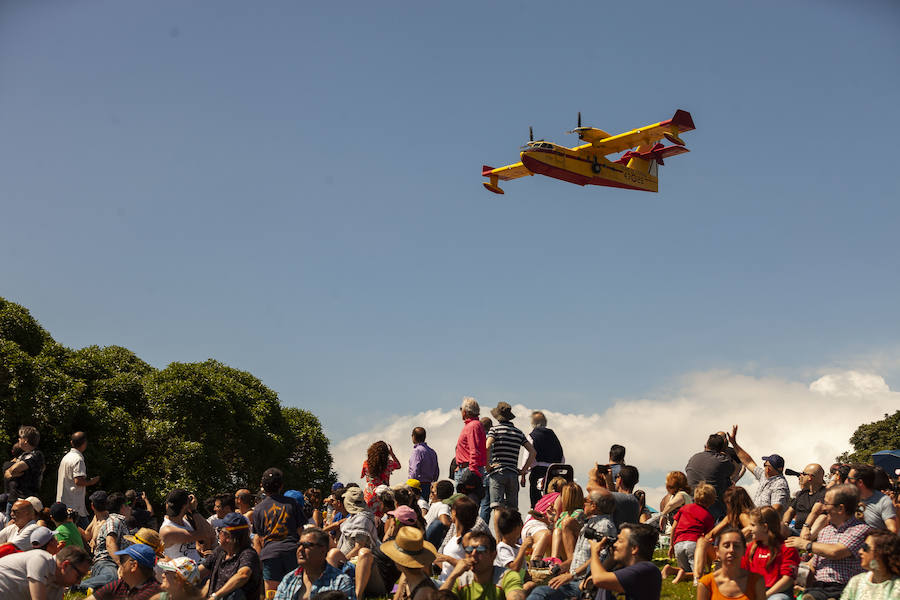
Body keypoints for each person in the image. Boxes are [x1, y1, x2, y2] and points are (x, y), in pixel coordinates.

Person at [785, 484, 871, 600]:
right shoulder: (825, 532)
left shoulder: (860, 530)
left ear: (840, 508)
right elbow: (813, 565)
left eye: (826, 504)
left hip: (846, 588)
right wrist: (799, 580)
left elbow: (837, 552)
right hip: (820, 588)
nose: (823, 508)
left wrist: (806, 544)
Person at [528, 492, 617, 600]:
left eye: (586, 500)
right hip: (576, 579)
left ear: (594, 506)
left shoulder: (603, 526)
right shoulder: (591, 523)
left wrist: (572, 575)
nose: (582, 503)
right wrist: (561, 567)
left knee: (541, 593)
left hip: (585, 582)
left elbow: (599, 558)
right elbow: (580, 556)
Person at [252, 467, 303, 596]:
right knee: (296, 589)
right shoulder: (292, 503)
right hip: (292, 551)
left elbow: (260, 537)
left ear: (262, 486)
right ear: (281, 486)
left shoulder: (258, 509)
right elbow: (300, 531)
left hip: (270, 554)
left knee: (272, 593)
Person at [73, 490, 133, 593]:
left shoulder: (117, 521)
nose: (130, 508)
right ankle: (77, 587)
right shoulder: (114, 520)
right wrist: (120, 565)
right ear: (122, 507)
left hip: (112, 563)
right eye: (128, 505)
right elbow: (110, 543)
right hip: (107, 562)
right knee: (112, 578)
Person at [440, 530, 525, 600]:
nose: (473, 554)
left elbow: (516, 596)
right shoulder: (460, 580)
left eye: (480, 549)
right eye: (469, 550)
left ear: (493, 555)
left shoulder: (507, 577)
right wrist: (453, 575)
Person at [275, 527, 355, 600]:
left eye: (307, 545)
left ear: (323, 550)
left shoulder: (340, 582)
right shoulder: (289, 579)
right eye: (299, 545)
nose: (300, 549)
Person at [485, 403, 536, 520]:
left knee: (497, 508)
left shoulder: (494, 430)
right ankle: (512, 538)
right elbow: (533, 452)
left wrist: (487, 466)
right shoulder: (518, 432)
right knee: (512, 510)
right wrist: (523, 470)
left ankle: (499, 538)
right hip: (513, 474)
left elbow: (487, 446)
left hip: (498, 472)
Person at [588, 522, 662, 600]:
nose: (615, 544)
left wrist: (594, 552)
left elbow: (598, 579)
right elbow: (596, 579)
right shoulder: (622, 569)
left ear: (634, 549)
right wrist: (612, 558)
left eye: (620, 541)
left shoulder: (647, 570)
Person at [661, 482, 716, 584]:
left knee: (687, 569)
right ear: (712, 501)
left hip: (678, 544)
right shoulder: (708, 516)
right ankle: (684, 576)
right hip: (694, 544)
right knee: (700, 574)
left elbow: (674, 528)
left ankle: (670, 570)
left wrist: (671, 546)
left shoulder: (684, 508)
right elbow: (708, 539)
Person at [727, 426, 790, 515]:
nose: (764, 467)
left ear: (768, 469)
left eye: (765, 465)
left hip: (766, 524)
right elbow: (748, 462)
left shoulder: (780, 485)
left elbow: (776, 509)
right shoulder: (764, 476)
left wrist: (760, 520)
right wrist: (734, 444)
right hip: (757, 520)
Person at [199, 512, 261, 600]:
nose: (218, 534)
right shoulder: (220, 551)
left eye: (219, 530)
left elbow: (243, 575)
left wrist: (215, 596)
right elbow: (201, 571)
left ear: (227, 536)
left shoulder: (248, 554)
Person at [744, 507, 800, 600]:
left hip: (777, 593)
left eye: (753, 525)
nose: (749, 529)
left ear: (765, 527)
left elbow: (788, 580)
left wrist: (764, 596)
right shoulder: (751, 548)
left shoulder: (787, 549)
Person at [0, 543, 91, 600]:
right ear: (65, 565)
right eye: (79, 575)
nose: (79, 582)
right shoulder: (40, 559)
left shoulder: (57, 587)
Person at [697, 528, 766, 600]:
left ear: (744, 550)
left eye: (736, 546)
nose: (731, 550)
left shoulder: (756, 582)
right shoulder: (706, 583)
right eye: (726, 546)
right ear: (717, 551)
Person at [84, 543, 161, 600]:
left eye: (122, 560)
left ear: (133, 566)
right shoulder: (121, 584)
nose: (119, 565)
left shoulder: (152, 592)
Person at [55, 431, 100, 528]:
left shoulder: (66, 457)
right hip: (74, 506)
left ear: (71, 442)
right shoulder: (78, 459)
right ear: (84, 444)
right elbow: (78, 481)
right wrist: (92, 482)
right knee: (84, 535)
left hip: (63, 502)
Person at [839, 530, 900, 600]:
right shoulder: (857, 582)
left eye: (865, 547)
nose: (860, 551)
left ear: (881, 552)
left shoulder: (897, 586)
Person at [685, 433, 734, 521]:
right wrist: (725, 452)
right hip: (714, 512)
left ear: (706, 445)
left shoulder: (694, 458)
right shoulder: (723, 460)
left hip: (691, 507)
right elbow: (732, 470)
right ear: (722, 448)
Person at [160, 489, 214, 563]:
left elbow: (211, 532)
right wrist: (194, 510)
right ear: (186, 505)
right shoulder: (167, 530)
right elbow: (206, 534)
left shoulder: (185, 521)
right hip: (180, 572)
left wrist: (197, 548)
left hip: (194, 567)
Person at [525, 411, 564, 509]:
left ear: (533, 423)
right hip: (553, 472)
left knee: (536, 501)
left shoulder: (532, 436)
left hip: (538, 472)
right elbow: (562, 458)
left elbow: (528, 455)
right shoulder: (554, 436)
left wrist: (524, 471)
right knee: (551, 500)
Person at [848, 465, 899, 533]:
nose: (846, 482)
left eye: (849, 479)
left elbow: (893, 530)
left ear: (860, 482)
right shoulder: (849, 500)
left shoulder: (883, 501)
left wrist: (872, 540)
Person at [4, 426, 45, 508]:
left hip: (26, 501)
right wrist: (14, 473)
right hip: (13, 500)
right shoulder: (23, 455)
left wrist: (12, 472)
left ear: (25, 441)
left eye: (20, 438)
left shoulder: (36, 455)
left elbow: (14, 469)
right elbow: (7, 474)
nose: (19, 440)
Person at [783, 464, 827, 537]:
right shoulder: (802, 494)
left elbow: (815, 512)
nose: (801, 476)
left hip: (810, 531)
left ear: (810, 477)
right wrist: (785, 524)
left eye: (803, 474)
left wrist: (806, 527)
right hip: (795, 529)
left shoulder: (825, 493)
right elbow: (790, 511)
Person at [361, 441, 401, 518]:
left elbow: (365, 475)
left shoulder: (366, 464)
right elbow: (398, 465)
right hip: (383, 495)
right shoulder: (389, 464)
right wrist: (392, 454)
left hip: (369, 494)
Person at [455, 397, 487, 487]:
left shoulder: (472, 426)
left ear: (465, 411)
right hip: (466, 468)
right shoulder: (474, 425)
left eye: (461, 409)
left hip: (468, 469)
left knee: (464, 500)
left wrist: (472, 469)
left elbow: (474, 449)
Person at [409, 427, 440, 502]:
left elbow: (414, 470)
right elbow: (436, 470)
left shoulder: (417, 451)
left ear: (413, 436)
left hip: (418, 486)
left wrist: (411, 485)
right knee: (426, 506)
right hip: (429, 485)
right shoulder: (432, 451)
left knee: (419, 508)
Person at [425, 480, 455, 547]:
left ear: (436, 493)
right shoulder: (443, 506)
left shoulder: (437, 505)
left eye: (432, 492)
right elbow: (445, 522)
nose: (431, 495)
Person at [610, 466, 641, 530]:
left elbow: (593, 491)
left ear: (620, 479)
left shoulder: (618, 497)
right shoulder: (635, 500)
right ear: (636, 481)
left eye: (616, 477)